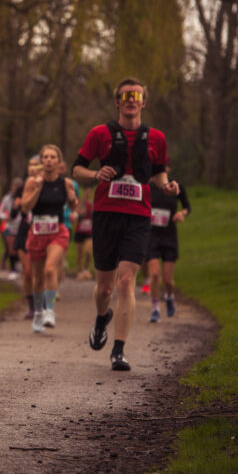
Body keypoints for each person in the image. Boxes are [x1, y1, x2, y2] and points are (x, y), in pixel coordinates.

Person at [72, 77, 179, 371]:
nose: (131, 100)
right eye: (125, 96)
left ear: (144, 102)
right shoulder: (99, 133)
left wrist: (167, 187)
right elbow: (77, 167)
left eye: (137, 95)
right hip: (106, 214)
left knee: (126, 281)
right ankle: (100, 318)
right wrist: (95, 175)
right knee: (105, 289)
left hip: (139, 217)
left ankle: (118, 350)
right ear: (117, 102)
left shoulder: (156, 137)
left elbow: (158, 175)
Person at [21, 145, 78, 333]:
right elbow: (25, 208)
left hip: (58, 231)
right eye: (45, 157)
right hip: (37, 232)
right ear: (41, 161)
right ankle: (38, 312)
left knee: (50, 269)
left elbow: (73, 204)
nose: (48, 160)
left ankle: (50, 311)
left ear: (58, 161)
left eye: (52, 157)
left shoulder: (66, 183)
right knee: (38, 279)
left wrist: (72, 200)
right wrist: (37, 189)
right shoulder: (32, 181)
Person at [146, 167, 190, 322]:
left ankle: (170, 296)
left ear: (168, 169)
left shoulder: (175, 187)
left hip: (169, 237)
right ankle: (156, 309)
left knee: (167, 280)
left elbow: (187, 207)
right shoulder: (148, 187)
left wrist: (181, 214)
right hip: (151, 237)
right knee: (155, 274)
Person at [13, 155, 41, 318]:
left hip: (41, 230)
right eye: (30, 165)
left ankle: (41, 303)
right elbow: (15, 213)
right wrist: (16, 207)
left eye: (36, 165)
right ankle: (31, 306)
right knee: (28, 271)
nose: (32, 168)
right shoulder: (22, 186)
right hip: (25, 230)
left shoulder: (48, 184)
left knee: (40, 272)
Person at [74, 186, 95, 281]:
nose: (87, 193)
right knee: (79, 253)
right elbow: (75, 214)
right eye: (86, 191)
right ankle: (79, 270)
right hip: (80, 231)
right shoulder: (80, 203)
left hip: (89, 231)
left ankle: (86, 269)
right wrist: (78, 213)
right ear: (84, 192)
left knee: (88, 251)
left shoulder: (93, 204)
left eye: (89, 191)